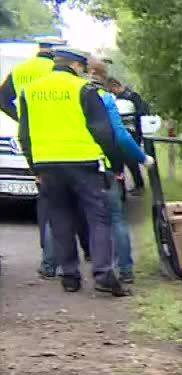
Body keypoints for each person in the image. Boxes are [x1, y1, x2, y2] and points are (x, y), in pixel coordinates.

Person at [18, 47, 128, 296]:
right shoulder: (84, 89)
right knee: (98, 218)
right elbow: (103, 131)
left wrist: (34, 165)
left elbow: (24, 134)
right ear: (77, 66)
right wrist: (115, 164)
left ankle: (69, 275)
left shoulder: (31, 91)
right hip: (83, 163)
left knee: (60, 218)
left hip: (47, 165)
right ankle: (103, 274)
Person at [89, 57, 151, 283]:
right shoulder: (107, 99)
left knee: (93, 220)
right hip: (105, 165)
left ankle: (99, 270)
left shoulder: (73, 99)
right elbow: (121, 136)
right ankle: (124, 269)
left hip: (80, 166)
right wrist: (141, 158)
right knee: (116, 218)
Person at [0, 40, 58, 277]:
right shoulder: (57, 72)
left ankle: (49, 255)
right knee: (59, 202)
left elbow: (3, 100)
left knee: (45, 197)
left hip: (28, 134)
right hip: (54, 134)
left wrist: (20, 116)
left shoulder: (20, 70)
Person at [107, 77, 148, 196]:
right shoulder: (116, 98)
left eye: (112, 89)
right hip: (122, 131)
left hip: (132, 131)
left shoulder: (132, 96)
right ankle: (122, 189)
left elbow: (142, 112)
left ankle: (139, 185)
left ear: (116, 86)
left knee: (131, 161)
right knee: (120, 161)